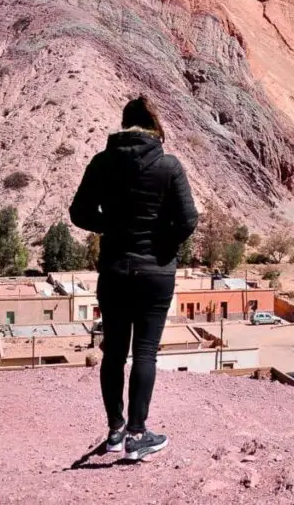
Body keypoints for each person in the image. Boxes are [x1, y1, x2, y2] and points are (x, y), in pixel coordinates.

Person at [71, 96, 199, 461]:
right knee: (144, 352)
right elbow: (188, 221)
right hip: (155, 272)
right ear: (154, 128)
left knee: (114, 352)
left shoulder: (102, 162)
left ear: (124, 125)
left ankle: (115, 431)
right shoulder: (168, 165)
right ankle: (137, 435)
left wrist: (110, 228)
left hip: (114, 269)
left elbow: (79, 212)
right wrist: (162, 243)